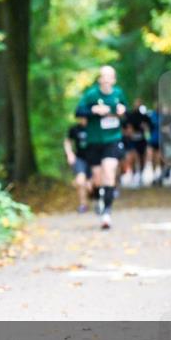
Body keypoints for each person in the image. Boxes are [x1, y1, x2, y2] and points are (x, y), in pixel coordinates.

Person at [75, 66, 127, 229]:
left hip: (112, 139)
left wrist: (122, 111)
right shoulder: (91, 94)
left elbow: (125, 112)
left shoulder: (118, 94)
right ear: (99, 79)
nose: (106, 79)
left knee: (109, 172)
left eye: (109, 76)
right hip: (94, 141)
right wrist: (93, 110)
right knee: (97, 179)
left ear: (114, 79)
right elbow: (78, 111)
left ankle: (107, 214)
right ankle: (99, 200)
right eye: (103, 76)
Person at [64, 117, 91, 212]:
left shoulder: (94, 128)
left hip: (94, 159)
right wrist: (69, 154)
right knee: (80, 181)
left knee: (91, 185)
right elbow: (68, 141)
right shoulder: (74, 129)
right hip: (80, 158)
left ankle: (97, 202)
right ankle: (83, 204)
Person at [122, 98, 150, 186]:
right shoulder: (130, 115)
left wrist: (145, 127)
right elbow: (125, 127)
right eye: (136, 103)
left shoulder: (144, 116)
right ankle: (134, 174)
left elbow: (149, 127)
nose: (137, 104)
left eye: (139, 103)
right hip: (132, 140)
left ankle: (141, 174)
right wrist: (128, 132)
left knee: (142, 158)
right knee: (134, 157)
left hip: (141, 140)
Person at [147, 105, 163, 185]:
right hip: (153, 140)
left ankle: (160, 176)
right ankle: (155, 175)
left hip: (161, 140)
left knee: (160, 158)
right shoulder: (152, 115)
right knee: (154, 158)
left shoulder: (164, 115)